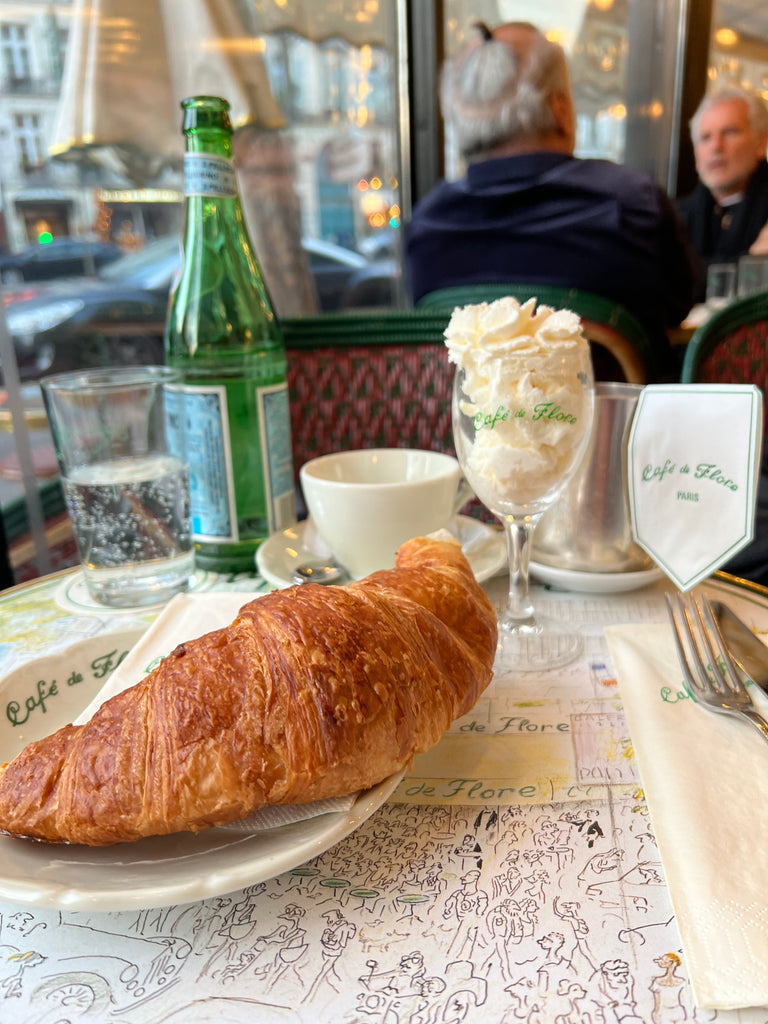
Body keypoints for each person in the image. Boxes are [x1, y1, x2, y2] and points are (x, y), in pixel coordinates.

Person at [405, 21, 702, 380]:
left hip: (473, 433)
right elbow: (682, 304)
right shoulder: (633, 203)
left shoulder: (425, 226)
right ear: (561, 110)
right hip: (620, 434)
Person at [677, 86, 768, 286]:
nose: (716, 146)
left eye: (729, 132)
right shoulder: (675, 215)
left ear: (762, 142)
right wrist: (753, 260)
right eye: (705, 137)